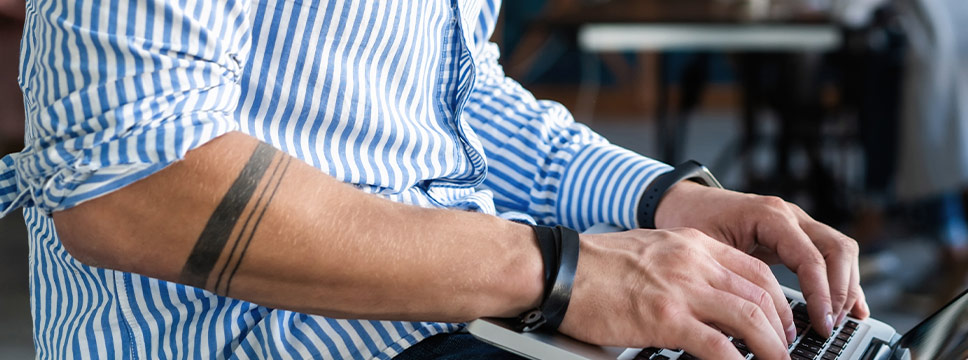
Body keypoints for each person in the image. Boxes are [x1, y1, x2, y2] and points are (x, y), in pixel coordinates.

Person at [0, 0, 866, 358]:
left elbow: (455, 93)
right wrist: (564, 273)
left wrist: (662, 200)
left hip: (472, 312)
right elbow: (134, 182)